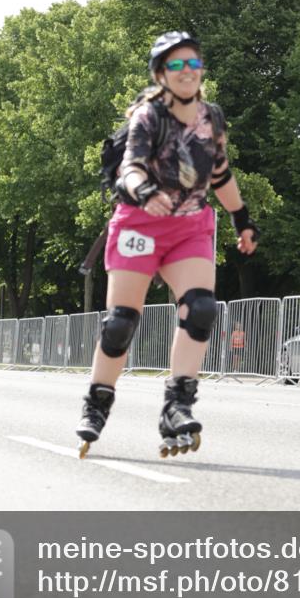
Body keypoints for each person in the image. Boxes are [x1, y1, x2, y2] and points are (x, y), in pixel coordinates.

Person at [76, 31, 259, 458]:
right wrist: (144, 193)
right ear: (161, 73)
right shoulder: (148, 117)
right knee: (120, 323)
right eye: (176, 65)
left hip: (190, 226)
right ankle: (97, 402)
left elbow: (220, 176)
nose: (186, 71)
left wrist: (242, 219)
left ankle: (177, 406)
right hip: (140, 222)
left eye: (193, 63)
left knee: (200, 308)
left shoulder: (211, 118)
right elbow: (131, 169)